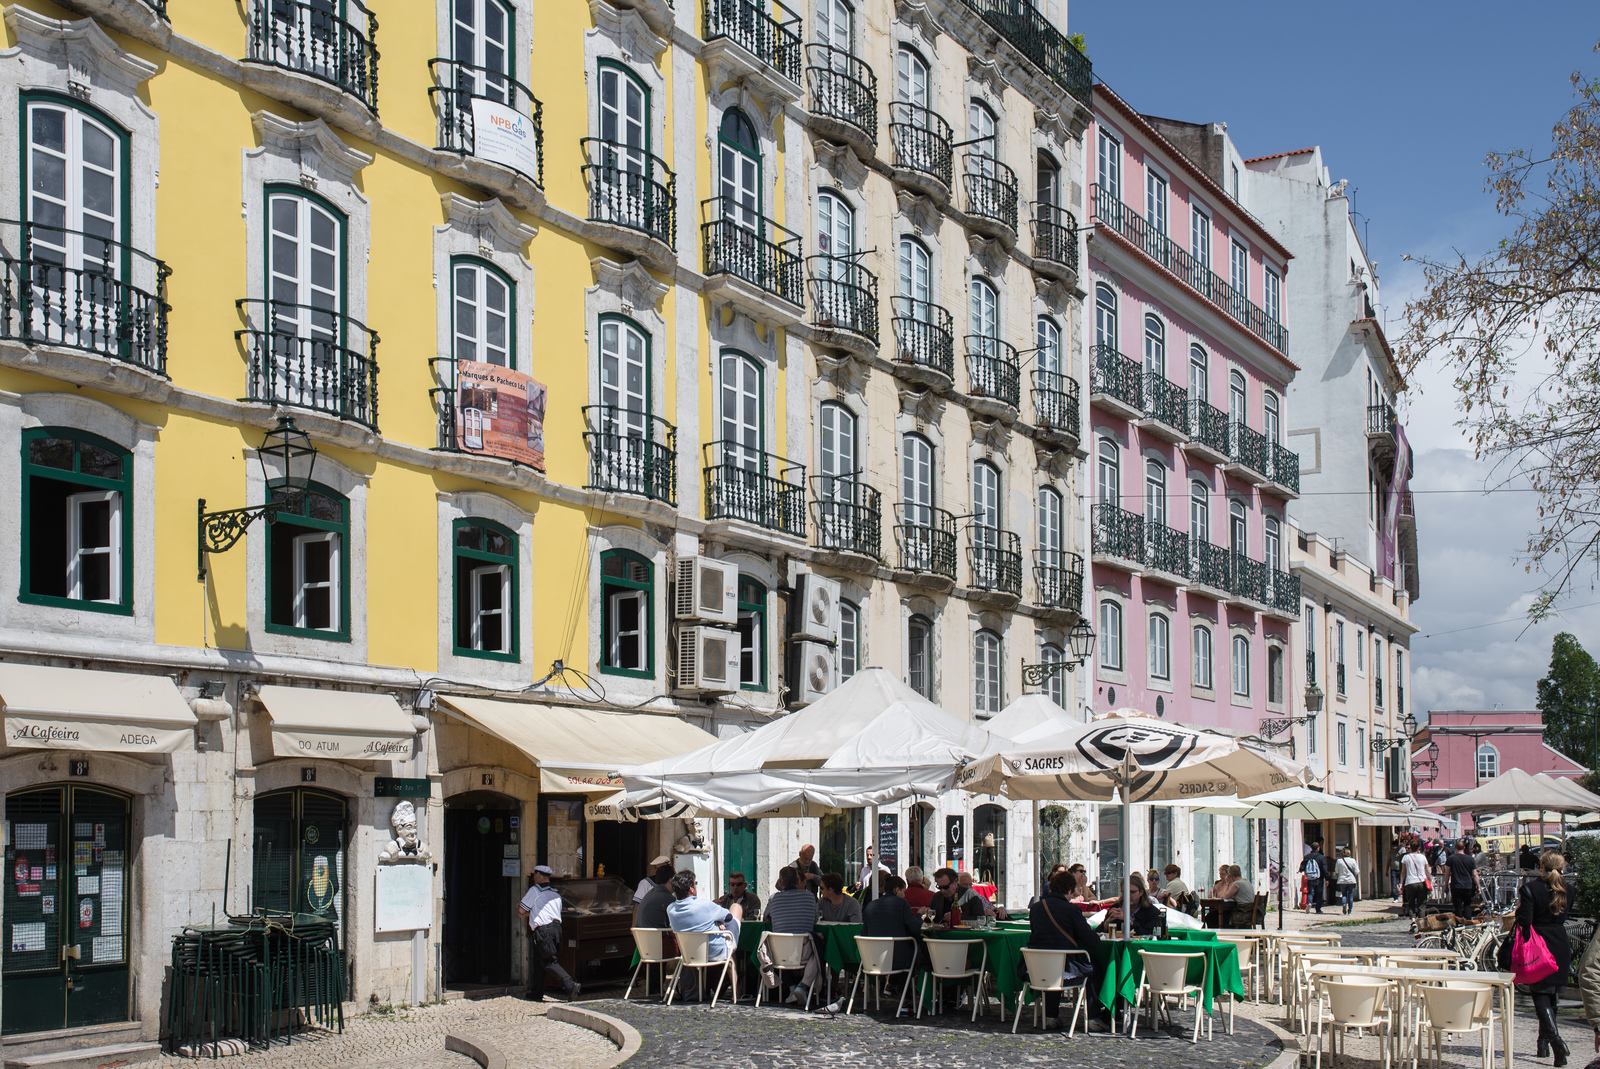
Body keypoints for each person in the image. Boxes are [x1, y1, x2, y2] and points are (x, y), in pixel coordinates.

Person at [1028, 867, 1104, 1023]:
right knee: (1094, 966)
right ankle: (1094, 1017)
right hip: (1065, 969)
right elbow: (1089, 938)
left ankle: (1050, 1016)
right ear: (1069, 890)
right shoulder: (1071, 909)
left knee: (1053, 960)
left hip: (1035, 968)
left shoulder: (1035, 909)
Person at [1519, 851, 1573, 1066]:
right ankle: (1543, 1044)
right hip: (1560, 943)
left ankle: (1556, 1042)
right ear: (1563, 867)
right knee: (1551, 996)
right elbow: (1564, 916)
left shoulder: (1530, 888)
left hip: (1538, 944)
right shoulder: (1569, 890)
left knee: (1540, 995)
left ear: (1541, 866)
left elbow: (1525, 921)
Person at [518, 865, 581, 1001]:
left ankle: (570, 985)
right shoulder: (555, 893)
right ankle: (537, 993)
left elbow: (521, 911)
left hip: (543, 931)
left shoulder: (534, 890)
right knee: (539, 962)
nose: (534, 876)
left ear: (540, 876)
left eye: (535, 874)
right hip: (556, 930)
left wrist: (532, 913)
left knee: (549, 961)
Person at [761, 866, 821, 1004]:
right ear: (797, 880)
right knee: (817, 947)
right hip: (802, 952)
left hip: (778, 954)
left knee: (780, 947)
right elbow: (814, 920)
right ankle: (802, 986)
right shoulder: (809, 897)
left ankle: (792, 988)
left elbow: (766, 918)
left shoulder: (774, 899)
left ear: (781, 883)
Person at [666, 869, 742, 974]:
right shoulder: (704, 905)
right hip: (717, 952)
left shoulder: (670, 909)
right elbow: (728, 917)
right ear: (691, 889)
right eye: (695, 883)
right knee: (736, 907)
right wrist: (719, 922)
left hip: (689, 954)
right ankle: (737, 986)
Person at [635, 862, 677, 929]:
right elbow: (679, 923)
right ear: (671, 880)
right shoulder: (668, 898)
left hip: (643, 937)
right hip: (657, 937)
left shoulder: (651, 893)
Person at [1446, 836, 1479, 920]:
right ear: (1464, 847)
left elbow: (1447, 874)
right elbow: (1475, 874)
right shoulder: (1470, 859)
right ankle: (1467, 923)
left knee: (1458, 906)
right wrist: (1478, 885)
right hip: (1468, 885)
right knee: (1467, 905)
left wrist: (1445, 885)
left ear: (1455, 847)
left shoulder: (1451, 858)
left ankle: (1459, 923)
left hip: (1456, 885)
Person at [1400, 838, 1431, 919]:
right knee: (1422, 904)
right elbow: (1427, 870)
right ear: (1419, 848)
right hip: (1421, 882)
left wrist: (1401, 883)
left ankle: (1413, 922)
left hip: (1410, 882)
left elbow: (1403, 872)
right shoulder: (1422, 857)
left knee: (1411, 904)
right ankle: (1421, 922)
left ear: (1410, 847)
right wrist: (1430, 880)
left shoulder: (1405, 857)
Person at [1300, 840, 1330, 914]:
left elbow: (1302, 866)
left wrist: (1301, 870)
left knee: (1310, 892)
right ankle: (1318, 909)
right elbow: (1324, 869)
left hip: (1310, 877)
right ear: (1318, 848)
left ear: (1311, 848)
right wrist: (1327, 878)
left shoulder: (1307, 856)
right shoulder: (1321, 857)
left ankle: (1309, 903)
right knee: (1319, 893)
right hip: (1319, 878)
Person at [1332, 848, 1360, 916]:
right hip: (1351, 881)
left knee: (1343, 894)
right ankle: (1350, 911)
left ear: (1343, 853)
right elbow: (1357, 871)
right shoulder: (1353, 861)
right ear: (1349, 854)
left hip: (1342, 881)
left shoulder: (1339, 861)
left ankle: (1344, 904)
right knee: (1350, 895)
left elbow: (1336, 871)